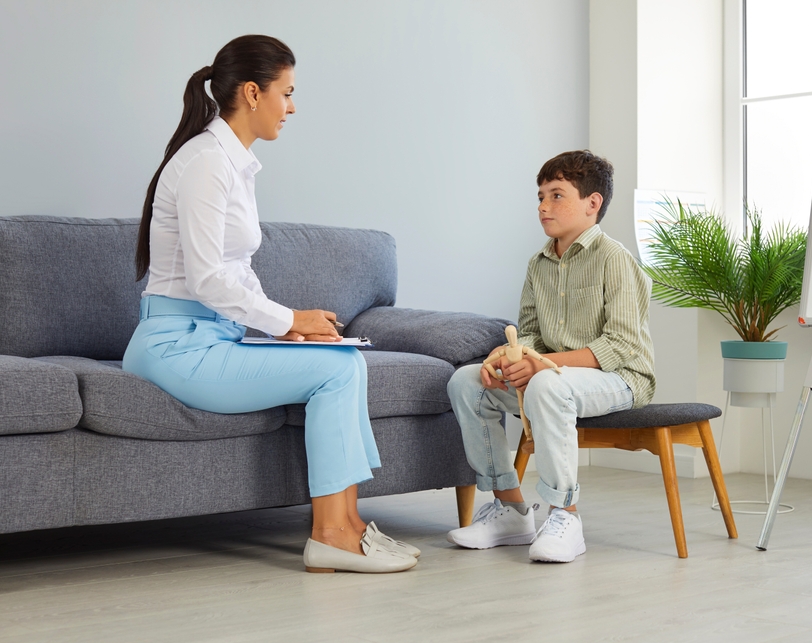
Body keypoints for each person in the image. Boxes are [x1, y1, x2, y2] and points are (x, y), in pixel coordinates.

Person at [123, 35, 417, 574]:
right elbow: (210, 280)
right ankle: (330, 534)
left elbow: (236, 275)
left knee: (343, 359)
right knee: (336, 372)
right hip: (175, 346)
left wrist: (287, 328)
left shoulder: (233, 164)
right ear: (253, 93)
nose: (293, 106)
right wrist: (287, 319)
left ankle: (348, 525)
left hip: (213, 336)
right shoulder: (206, 163)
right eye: (288, 92)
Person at [445, 150, 655, 563]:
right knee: (466, 382)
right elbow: (531, 335)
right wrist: (509, 357)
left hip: (623, 378)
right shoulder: (538, 264)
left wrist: (543, 365)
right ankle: (510, 509)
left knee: (544, 383)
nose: (543, 206)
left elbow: (622, 345)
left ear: (592, 203)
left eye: (556, 195)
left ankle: (566, 516)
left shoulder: (615, 259)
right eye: (540, 196)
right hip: (556, 381)